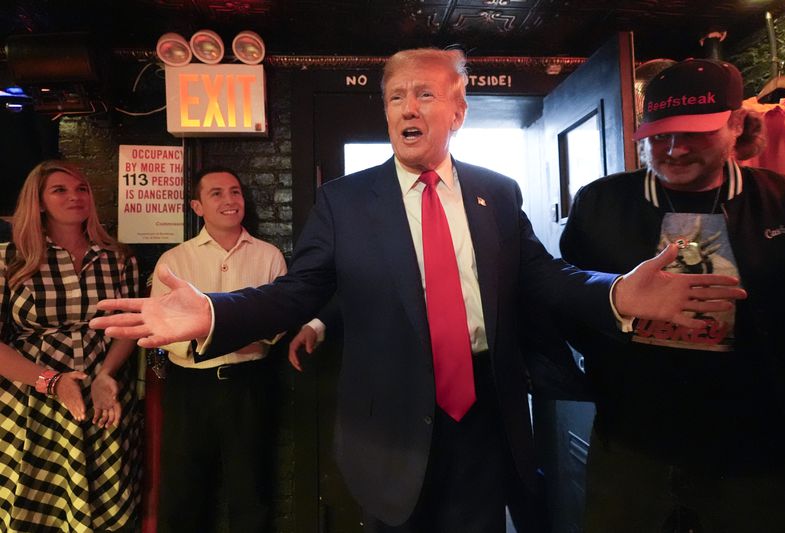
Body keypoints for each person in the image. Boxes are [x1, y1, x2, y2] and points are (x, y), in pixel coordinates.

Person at [91, 48, 745, 532]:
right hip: (390, 426)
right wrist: (212, 311)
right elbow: (299, 290)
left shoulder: (497, 191)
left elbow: (547, 276)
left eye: (426, 95)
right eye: (396, 96)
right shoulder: (345, 201)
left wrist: (617, 294)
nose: (408, 106)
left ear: (458, 109)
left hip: (486, 414)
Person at [559, 59, 785, 533]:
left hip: (758, 453)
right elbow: (567, 301)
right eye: (660, 135)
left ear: (736, 124)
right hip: (631, 448)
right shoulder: (599, 203)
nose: (673, 149)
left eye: (695, 134)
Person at [0, 160, 140, 531]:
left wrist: (107, 374)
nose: (75, 197)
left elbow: (127, 327)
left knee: (103, 507)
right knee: (33, 508)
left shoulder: (118, 258)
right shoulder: (8, 259)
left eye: (82, 189)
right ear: (39, 202)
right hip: (31, 401)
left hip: (101, 395)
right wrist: (51, 381)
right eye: (60, 190)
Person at [151, 167, 287, 532]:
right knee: (183, 489)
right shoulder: (174, 261)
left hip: (250, 384)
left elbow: (276, 326)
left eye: (235, 192)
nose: (230, 200)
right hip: (189, 388)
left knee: (251, 489)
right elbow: (164, 332)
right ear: (197, 205)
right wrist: (235, 335)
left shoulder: (269, 256)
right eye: (216, 193)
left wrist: (211, 334)